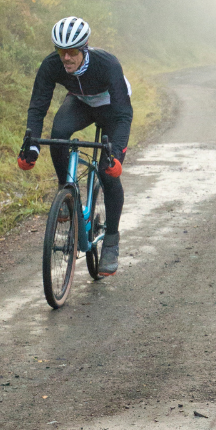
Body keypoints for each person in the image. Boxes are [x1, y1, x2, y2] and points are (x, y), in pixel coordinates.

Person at [18, 17, 133, 276]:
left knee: (107, 172)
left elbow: (124, 114)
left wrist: (116, 154)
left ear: (85, 48)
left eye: (72, 53)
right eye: (61, 52)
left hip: (112, 108)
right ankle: (66, 191)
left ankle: (111, 241)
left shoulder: (107, 63)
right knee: (59, 133)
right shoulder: (51, 66)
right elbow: (38, 107)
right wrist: (31, 147)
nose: (66, 58)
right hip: (81, 103)